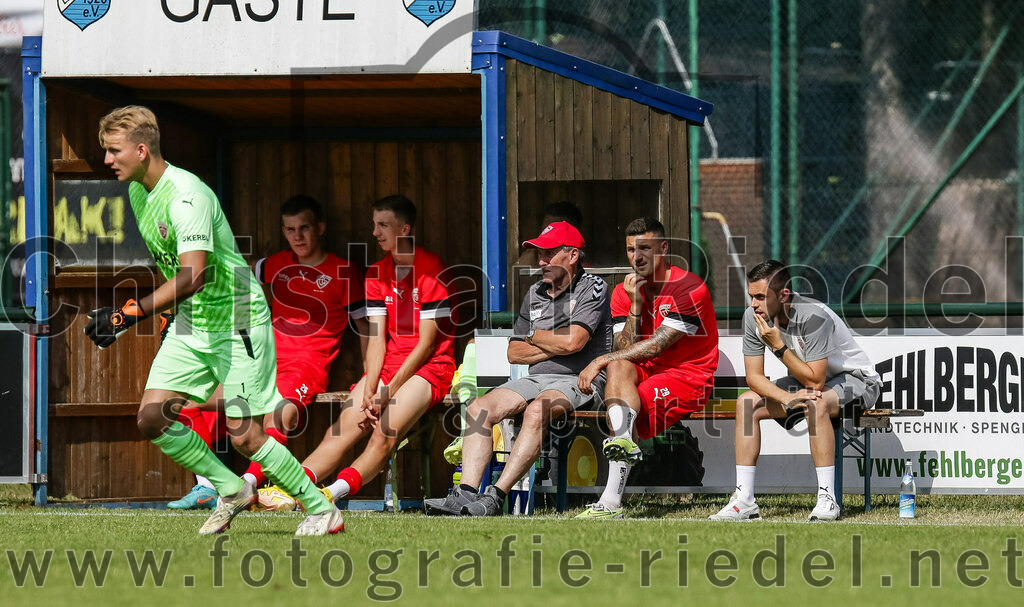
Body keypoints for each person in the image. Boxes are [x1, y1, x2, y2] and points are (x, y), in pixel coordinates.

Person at [92, 106, 341, 535]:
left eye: (113, 151)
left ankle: (322, 509)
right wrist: (171, 312)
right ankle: (231, 489)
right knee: (153, 417)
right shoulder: (137, 191)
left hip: (239, 321)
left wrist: (129, 313)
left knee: (244, 435)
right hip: (195, 322)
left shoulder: (188, 195)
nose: (107, 160)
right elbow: (175, 270)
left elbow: (193, 273)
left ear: (141, 148)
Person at [169, 195, 369, 510]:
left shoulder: (344, 271)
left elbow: (366, 328)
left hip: (304, 368)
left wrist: (371, 375)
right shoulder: (277, 263)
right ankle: (208, 487)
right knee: (183, 402)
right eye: (290, 230)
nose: (298, 236)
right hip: (259, 362)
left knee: (279, 415)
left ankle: (247, 485)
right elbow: (235, 272)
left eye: (304, 228)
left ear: (320, 228)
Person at [260, 194, 457, 509]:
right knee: (341, 430)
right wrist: (370, 384)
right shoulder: (376, 273)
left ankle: (328, 495)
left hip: (430, 369)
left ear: (405, 229)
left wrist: (388, 390)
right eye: (374, 224)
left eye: (383, 225)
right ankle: (291, 491)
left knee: (384, 434)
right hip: (389, 368)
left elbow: (427, 345)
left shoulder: (432, 269)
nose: (375, 233)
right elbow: (377, 339)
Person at [424, 220, 612, 517]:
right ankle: (465, 495)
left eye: (549, 253)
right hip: (536, 378)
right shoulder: (535, 292)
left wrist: (535, 337)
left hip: (581, 380)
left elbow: (575, 343)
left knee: (537, 410)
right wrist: (553, 343)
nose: (541, 261)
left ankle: (495, 496)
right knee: (479, 408)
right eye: (539, 254)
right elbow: (514, 353)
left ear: (573, 255)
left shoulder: (594, 287)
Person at [709, 260, 881, 522]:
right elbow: (754, 378)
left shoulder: (814, 316)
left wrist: (778, 346)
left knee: (816, 403)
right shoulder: (752, 317)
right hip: (806, 381)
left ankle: (827, 499)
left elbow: (815, 383)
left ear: (783, 294)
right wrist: (787, 398)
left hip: (857, 381)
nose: (753, 304)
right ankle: (744, 501)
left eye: (760, 297)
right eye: (751, 296)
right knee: (746, 404)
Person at [576, 217, 718, 519]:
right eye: (630, 249)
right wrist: (635, 306)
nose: (636, 257)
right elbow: (622, 350)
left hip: (689, 377)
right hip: (645, 376)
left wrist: (599, 360)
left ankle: (611, 501)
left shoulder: (690, 287)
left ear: (663, 248)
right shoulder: (623, 293)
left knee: (613, 370)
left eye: (645, 248)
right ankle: (624, 446)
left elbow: (657, 347)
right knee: (618, 367)